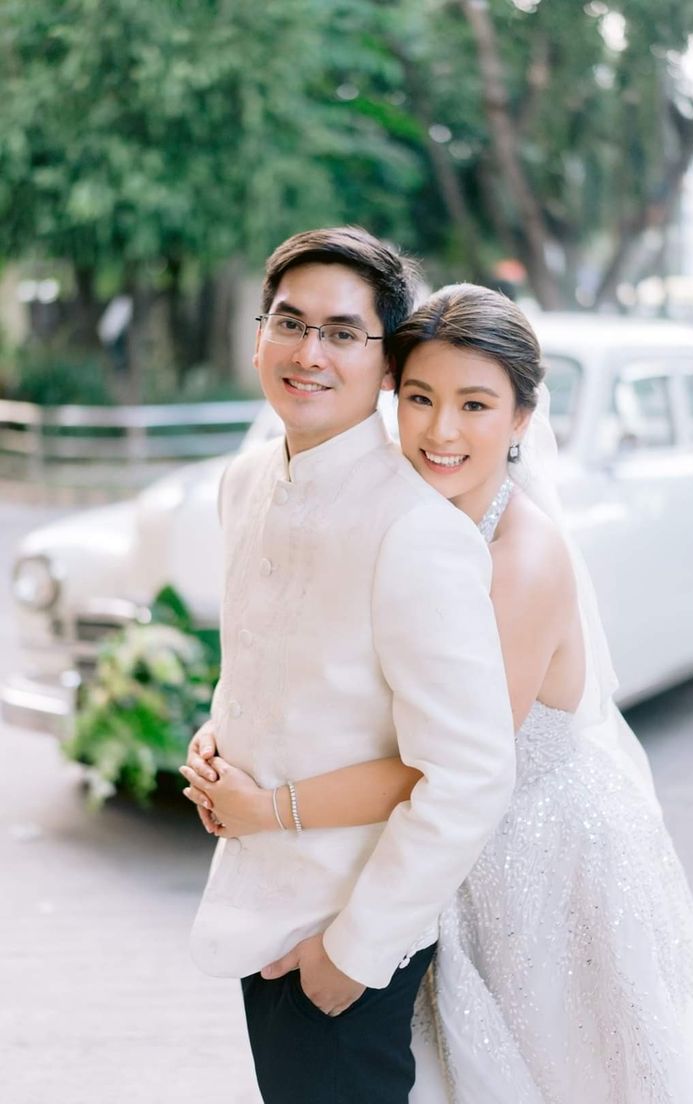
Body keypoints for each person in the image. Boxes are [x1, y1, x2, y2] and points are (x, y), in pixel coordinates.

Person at [184, 283, 693, 1104]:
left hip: (539, 861)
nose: (441, 432)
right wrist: (229, 730)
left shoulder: (520, 558)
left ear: (519, 419)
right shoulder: (396, 519)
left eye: (475, 405)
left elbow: (449, 769)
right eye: (419, 398)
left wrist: (271, 806)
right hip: (428, 859)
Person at [183, 234, 517, 1104]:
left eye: (342, 332)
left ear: (383, 361)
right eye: (289, 323)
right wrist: (216, 737)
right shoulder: (247, 479)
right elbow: (269, 661)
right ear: (260, 336)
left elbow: (472, 773)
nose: (308, 353)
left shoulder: (416, 534)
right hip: (257, 902)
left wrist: (352, 953)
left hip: (343, 928)